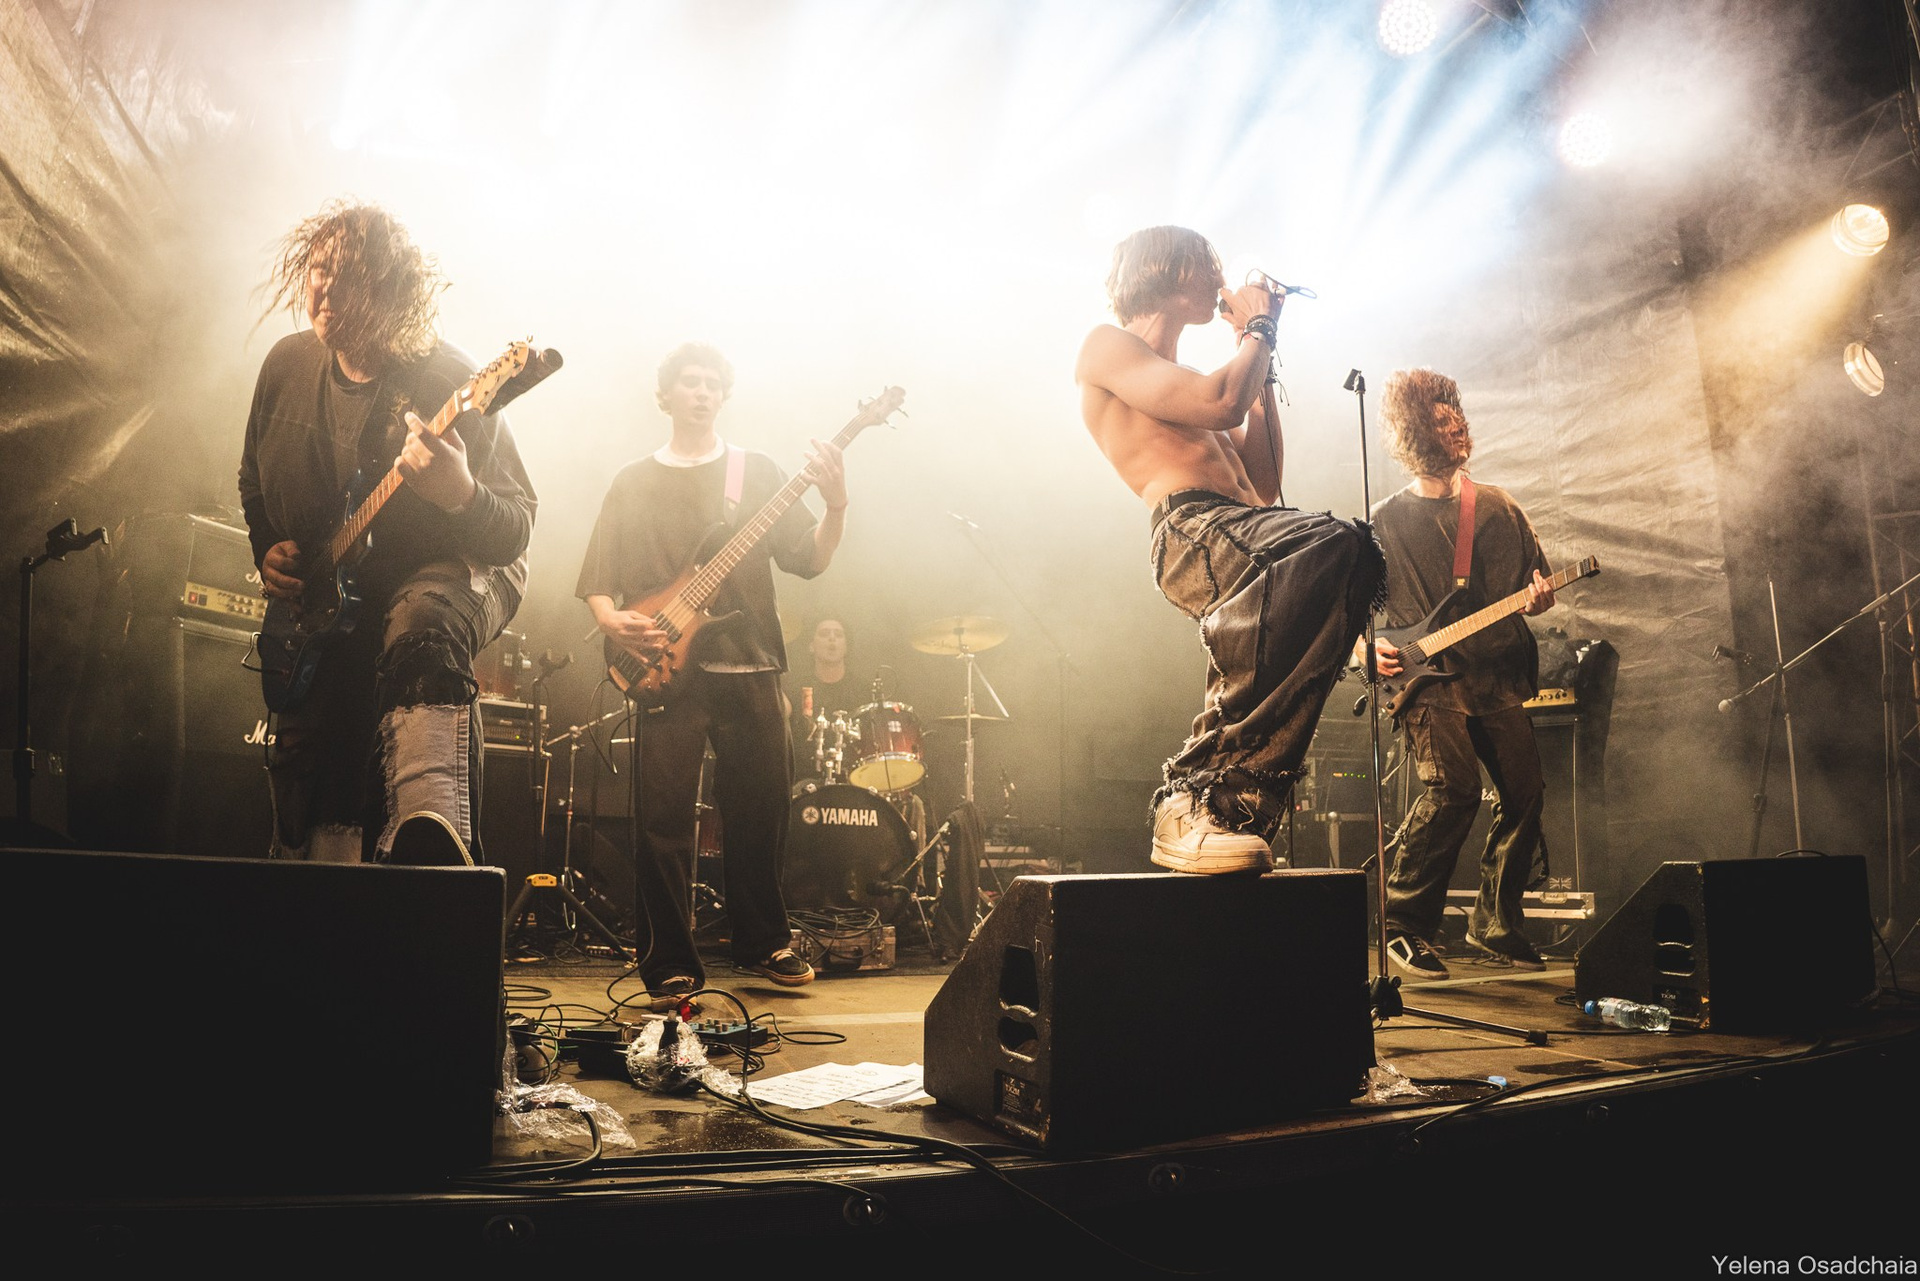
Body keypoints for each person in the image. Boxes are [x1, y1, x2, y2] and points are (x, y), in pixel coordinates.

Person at [1075, 225, 1385, 874]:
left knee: (1354, 555)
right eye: (1206, 264)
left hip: (1242, 527)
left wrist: (1262, 360)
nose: (1220, 278)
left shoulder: (1188, 376)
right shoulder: (1108, 347)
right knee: (1335, 542)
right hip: (1190, 529)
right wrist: (1257, 332)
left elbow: (1262, 481)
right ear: (1167, 269)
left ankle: (1232, 803)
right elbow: (1222, 402)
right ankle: (1189, 795)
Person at [239, 200, 537, 865]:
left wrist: (460, 494)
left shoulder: (449, 380)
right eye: (319, 270)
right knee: (316, 774)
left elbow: (515, 529)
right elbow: (251, 480)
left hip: (458, 565)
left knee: (419, 623)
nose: (325, 290)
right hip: (337, 588)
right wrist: (266, 548)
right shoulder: (285, 366)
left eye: (348, 276)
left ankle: (432, 847)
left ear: (392, 289)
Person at [578, 342, 847, 1008]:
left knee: (762, 808)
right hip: (663, 660)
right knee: (663, 820)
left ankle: (765, 941)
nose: (702, 392)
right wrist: (612, 621)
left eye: (712, 384)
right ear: (666, 395)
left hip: (751, 658)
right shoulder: (633, 480)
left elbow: (810, 559)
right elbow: (598, 576)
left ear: (723, 396)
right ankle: (669, 961)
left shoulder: (757, 472)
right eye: (689, 382)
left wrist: (837, 505)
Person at [1363, 367, 1557, 980]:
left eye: (1458, 420)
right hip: (1426, 679)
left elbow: (1535, 585)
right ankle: (1402, 923)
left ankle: (1494, 922)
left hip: (1494, 674)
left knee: (1525, 793)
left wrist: (1539, 599)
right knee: (1454, 790)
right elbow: (1347, 614)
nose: (1456, 430)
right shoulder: (1383, 521)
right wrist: (1365, 651)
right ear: (1414, 434)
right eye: (1441, 423)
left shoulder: (1498, 506)